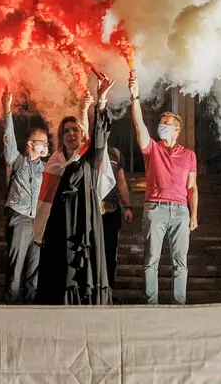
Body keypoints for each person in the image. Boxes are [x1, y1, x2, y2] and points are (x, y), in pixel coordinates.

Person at [34, 77, 115, 305]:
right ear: (61, 137)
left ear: (82, 136)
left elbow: (100, 135)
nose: (71, 134)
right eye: (66, 131)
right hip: (59, 223)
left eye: (75, 131)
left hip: (85, 220)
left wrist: (101, 100)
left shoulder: (89, 158)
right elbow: (46, 199)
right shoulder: (54, 162)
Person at [128, 73, 198, 305]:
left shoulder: (189, 155)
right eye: (161, 123)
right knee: (151, 260)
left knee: (180, 261)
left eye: (167, 123)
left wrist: (194, 214)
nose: (162, 126)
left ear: (177, 129)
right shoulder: (152, 149)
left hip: (180, 210)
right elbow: (139, 125)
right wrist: (135, 96)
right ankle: (151, 304)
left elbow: (192, 186)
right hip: (156, 208)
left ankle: (179, 304)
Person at [1, 90, 49, 304]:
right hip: (19, 218)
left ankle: (30, 306)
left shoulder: (47, 168)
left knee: (34, 269)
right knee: (16, 266)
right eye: (42, 143)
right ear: (31, 144)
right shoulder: (18, 161)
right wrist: (7, 110)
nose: (46, 147)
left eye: (47, 143)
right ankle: (11, 304)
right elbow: (9, 142)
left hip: (39, 222)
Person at [100, 146, 133, 290]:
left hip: (111, 210)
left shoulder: (115, 153)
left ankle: (108, 288)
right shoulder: (84, 149)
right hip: (89, 211)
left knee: (110, 251)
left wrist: (127, 206)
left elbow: (121, 181)